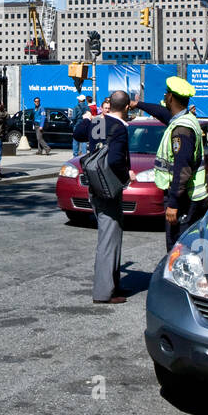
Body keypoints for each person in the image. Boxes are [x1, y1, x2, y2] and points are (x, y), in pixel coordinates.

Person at [130, 77, 208, 249]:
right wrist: (137, 104)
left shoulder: (181, 129)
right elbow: (161, 112)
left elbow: (183, 169)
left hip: (183, 200)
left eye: (166, 94)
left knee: (178, 247)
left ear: (171, 97)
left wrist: (173, 203)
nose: (164, 97)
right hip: (185, 198)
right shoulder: (184, 118)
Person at [72, 90, 132, 304]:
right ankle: (104, 292)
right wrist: (127, 175)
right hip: (109, 187)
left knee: (110, 237)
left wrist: (87, 118)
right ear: (126, 108)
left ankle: (112, 284)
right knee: (108, 239)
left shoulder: (98, 122)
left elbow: (78, 134)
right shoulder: (119, 128)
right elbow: (116, 159)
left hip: (94, 185)